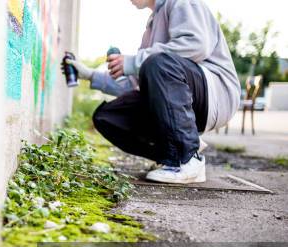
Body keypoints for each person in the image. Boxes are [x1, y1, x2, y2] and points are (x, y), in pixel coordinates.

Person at [64, 0, 240, 184]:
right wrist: (90, 75)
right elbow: (134, 85)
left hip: (215, 94)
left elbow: (196, 45)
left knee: (157, 63)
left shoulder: (182, 2)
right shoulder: (152, 24)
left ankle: (187, 159)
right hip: (183, 92)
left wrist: (134, 62)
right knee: (107, 117)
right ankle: (175, 150)